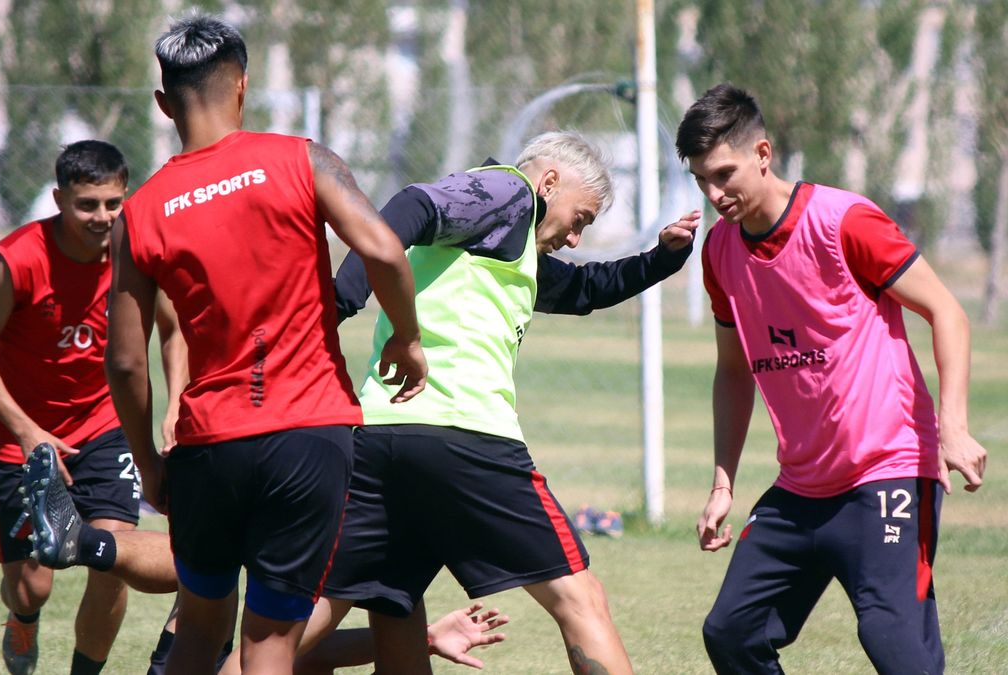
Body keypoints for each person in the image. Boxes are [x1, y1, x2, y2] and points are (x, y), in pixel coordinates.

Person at [101, 11, 427, 674]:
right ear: (242, 86)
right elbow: (384, 251)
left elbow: (127, 360)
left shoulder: (140, 211)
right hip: (308, 437)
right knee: (269, 643)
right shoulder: (302, 159)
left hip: (207, 445)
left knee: (198, 631)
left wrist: (148, 463)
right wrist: (407, 337)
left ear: (164, 103)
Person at [308, 130, 700, 674]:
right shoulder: (508, 193)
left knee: (372, 609)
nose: (574, 239)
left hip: (380, 437)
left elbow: (586, 289)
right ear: (549, 182)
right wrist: (341, 299)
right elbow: (410, 205)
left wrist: (662, 259)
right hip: (464, 438)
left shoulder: (500, 242)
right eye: (580, 219)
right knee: (581, 600)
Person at [678, 83, 988, 674]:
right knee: (732, 631)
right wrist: (723, 483)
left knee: (893, 642)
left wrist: (952, 427)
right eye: (701, 180)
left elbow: (947, 312)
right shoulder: (719, 252)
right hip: (800, 489)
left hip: (888, 472)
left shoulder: (844, 220)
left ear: (763, 153)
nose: (714, 194)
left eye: (724, 174)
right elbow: (733, 370)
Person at [0, 140, 182, 675]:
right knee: (31, 586)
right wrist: (28, 432)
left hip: (104, 427)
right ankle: (23, 618)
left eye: (113, 203)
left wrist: (176, 406)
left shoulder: (140, 253)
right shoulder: (16, 260)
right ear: (59, 199)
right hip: (20, 439)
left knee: (115, 557)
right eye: (87, 205)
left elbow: (174, 332)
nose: (102, 216)